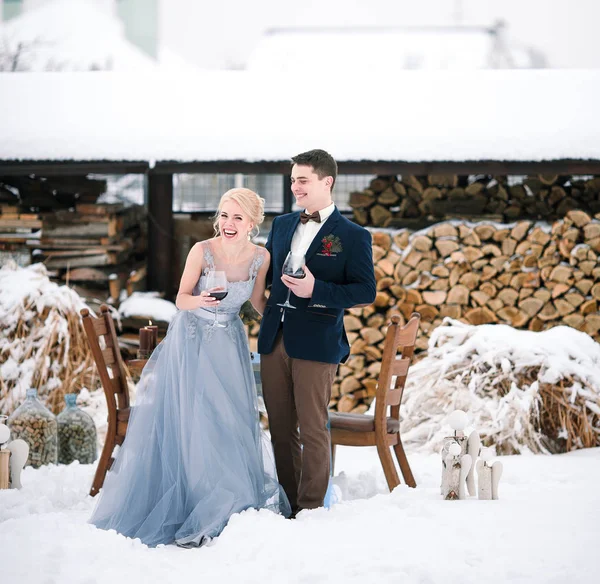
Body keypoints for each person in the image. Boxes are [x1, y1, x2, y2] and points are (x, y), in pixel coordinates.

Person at [89, 188, 290, 547]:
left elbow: (259, 301)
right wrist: (200, 300)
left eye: (237, 217)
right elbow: (181, 299)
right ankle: (197, 501)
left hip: (228, 340)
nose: (228, 223)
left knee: (230, 418)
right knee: (198, 418)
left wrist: (288, 319)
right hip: (192, 338)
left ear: (252, 224)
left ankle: (231, 501)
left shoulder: (261, 257)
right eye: (225, 215)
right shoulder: (202, 251)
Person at [258, 149, 376, 517]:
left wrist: (317, 291)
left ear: (327, 182)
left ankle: (310, 511)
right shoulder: (280, 225)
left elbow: (365, 291)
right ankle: (289, 505)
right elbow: (264, 275)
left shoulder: (353, 236)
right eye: (293, 179)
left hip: (317, 341)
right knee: (279, 430)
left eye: (303, 180)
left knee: (312, 429)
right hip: (273, 339)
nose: (295, 187)